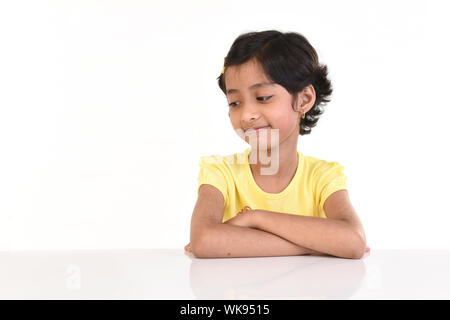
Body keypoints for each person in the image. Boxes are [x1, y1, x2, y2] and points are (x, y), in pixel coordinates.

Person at [185, 30, 369, 259]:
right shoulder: (220, 172)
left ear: (304, 100)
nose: (247, 115)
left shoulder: (323, 176)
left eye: (262, 97)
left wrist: (255, 218)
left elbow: (353, 241)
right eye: (235, 102)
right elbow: (205, 241)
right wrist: (319, 245)